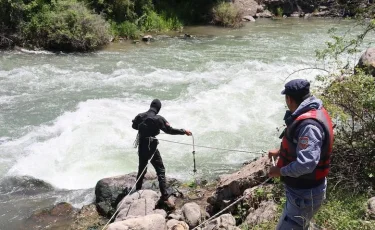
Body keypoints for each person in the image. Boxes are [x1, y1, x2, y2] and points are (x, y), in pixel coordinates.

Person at [268, 79, 334, 230]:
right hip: (303, 193)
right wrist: (279, 152)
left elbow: (306, 164)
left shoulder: (309, 126)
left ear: (289, 99)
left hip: (304, 195)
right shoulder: (314, 110)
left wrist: (280, 171)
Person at [132, 99, 192, 207]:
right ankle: (164, 195)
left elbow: (134, 126)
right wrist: (183, 132)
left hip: (142, 145)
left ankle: (138, 190)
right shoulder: (159, 119)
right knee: (160, 170)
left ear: (150, 106)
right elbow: (170, 130)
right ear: (158, 109)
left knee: (142, 168)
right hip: (152, 147)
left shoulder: (140, 116)